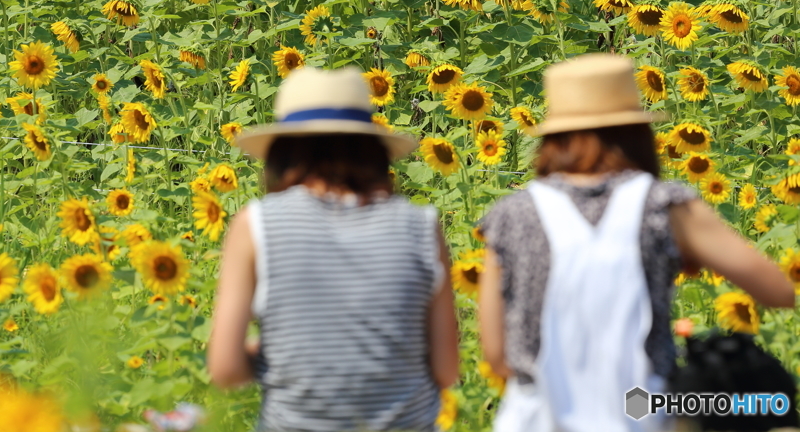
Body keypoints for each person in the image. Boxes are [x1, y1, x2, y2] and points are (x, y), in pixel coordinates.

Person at [477, 53, 795, 432]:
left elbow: (496, 354)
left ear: (552, 138)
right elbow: (777, 291)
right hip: (640, 413)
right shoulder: (663, 205)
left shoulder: (512, 214)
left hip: (534, 418)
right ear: (637, 132)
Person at [207, 66, 459, 432]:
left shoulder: (258, 224)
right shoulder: (419, 226)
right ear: (373, 151)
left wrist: (275, 353)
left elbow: (225, 370)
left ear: (282, 152)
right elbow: (447, 370)